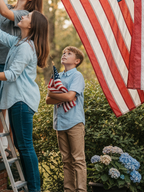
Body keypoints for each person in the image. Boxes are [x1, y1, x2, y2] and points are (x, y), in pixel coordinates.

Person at [0, 0, 49, 192]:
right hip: (18, 100)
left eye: (28, 16)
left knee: (25, 147)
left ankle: (34, 189)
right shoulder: (18, 41)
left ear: (31, 26)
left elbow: (12, 75)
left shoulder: (25, 47)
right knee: (22, 147)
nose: (23, 17)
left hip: (22, 101)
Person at [0, 0, 43, 163]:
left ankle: (0, 148)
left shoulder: (25, 14)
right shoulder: (7, 5)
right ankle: (3, 148)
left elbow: (6, 12)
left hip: (4, 63)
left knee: (2, 107)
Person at [46, 46, 86, 192]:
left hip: (74, 122)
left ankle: (81, 190)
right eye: (63, 53)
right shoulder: (57, 77)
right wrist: (60, 96)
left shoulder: (77, 76)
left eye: (69, 54)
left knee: (78, 160)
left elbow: (70, 96)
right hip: (60, 122)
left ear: (76, 61)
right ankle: (69, 190)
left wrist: (55, 95)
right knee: (66, 160)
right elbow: (47, 100)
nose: (64, 55)